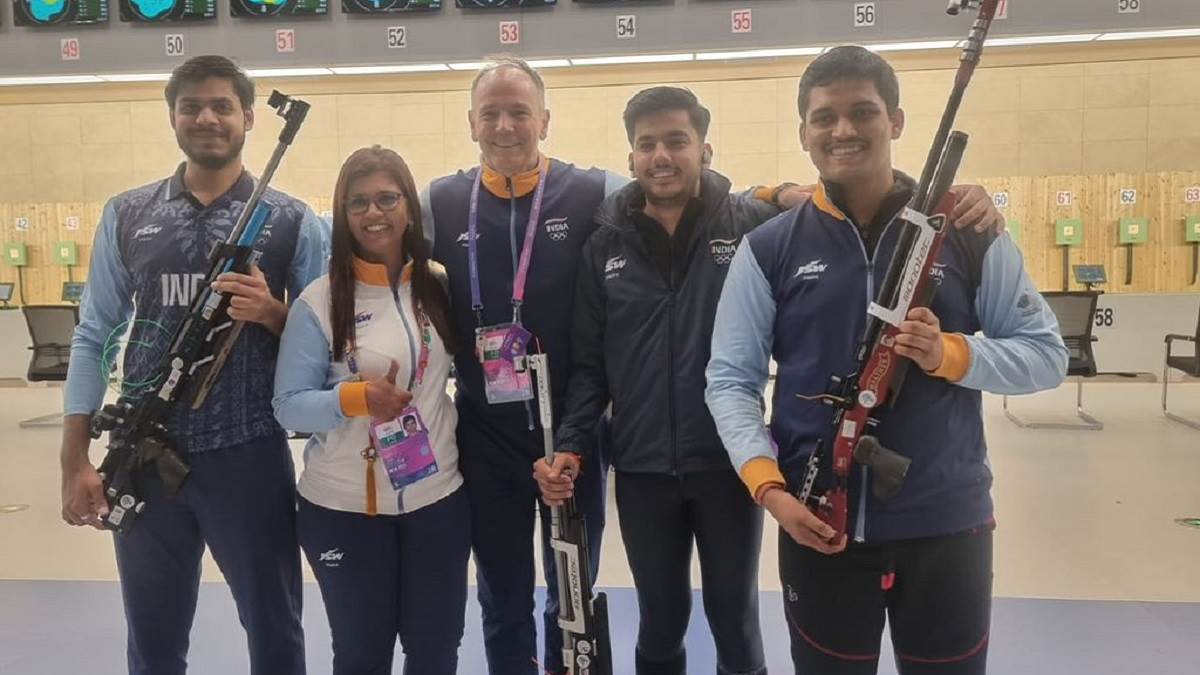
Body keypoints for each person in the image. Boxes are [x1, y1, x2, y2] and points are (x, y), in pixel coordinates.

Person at [535, 86, 1008, 675]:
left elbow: (855, 194)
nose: (662, 156)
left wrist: (963, 198)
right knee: (659, 619)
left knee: (734, 617)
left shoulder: (751, 221)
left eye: (677, 141)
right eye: (647, 144)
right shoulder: (605, 243)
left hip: (731, 468)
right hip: (640, 467)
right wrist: (576, 445)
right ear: (630, 157)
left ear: (704, 149)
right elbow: (588, 368)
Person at [421, 56, 803, 675]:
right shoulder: (442, 202)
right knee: (508, 598)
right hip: (501, 439)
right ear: (470, 123)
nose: (506, 125)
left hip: (635, 445)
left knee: (583, 596)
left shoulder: (595, 196)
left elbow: (782, 210)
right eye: (490, 113)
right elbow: (369, 244)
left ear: (545, 119)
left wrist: (775, 190)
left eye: (520, 111)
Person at [705, 46, 1068, 675]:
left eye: (863, 111)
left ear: (895, 121)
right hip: (815, 518)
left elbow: (1044, 356)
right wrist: (768, 487)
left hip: (946, 523)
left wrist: (951, 353)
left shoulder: (969, 230)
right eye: (825, 117)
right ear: (805, 134)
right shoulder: (768, 249)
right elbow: (730, 381)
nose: (844, 130)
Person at [58, 55, 327, 675]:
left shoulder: (291, 220)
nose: (206, 117)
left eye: (222, 106)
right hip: (145, 452)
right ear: (173, 117)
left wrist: (274, 314)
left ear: (250, 118)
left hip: (249, 452)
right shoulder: (129, 213)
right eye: (191, 106)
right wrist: (74, 456)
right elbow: (94, 332)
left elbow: (327, 343)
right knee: (153, 640)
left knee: (275, 629)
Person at [274, 146, 469, 675]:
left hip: (438, 501)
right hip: (343, 511)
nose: (373, 213)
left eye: (387, 197)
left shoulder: (438, 285)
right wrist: (358, 398)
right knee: (362, 657)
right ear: (343, 214)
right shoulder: (320, 301)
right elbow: (289, 407)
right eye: (357, 202)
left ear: (409, 207)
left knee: (435, 653)